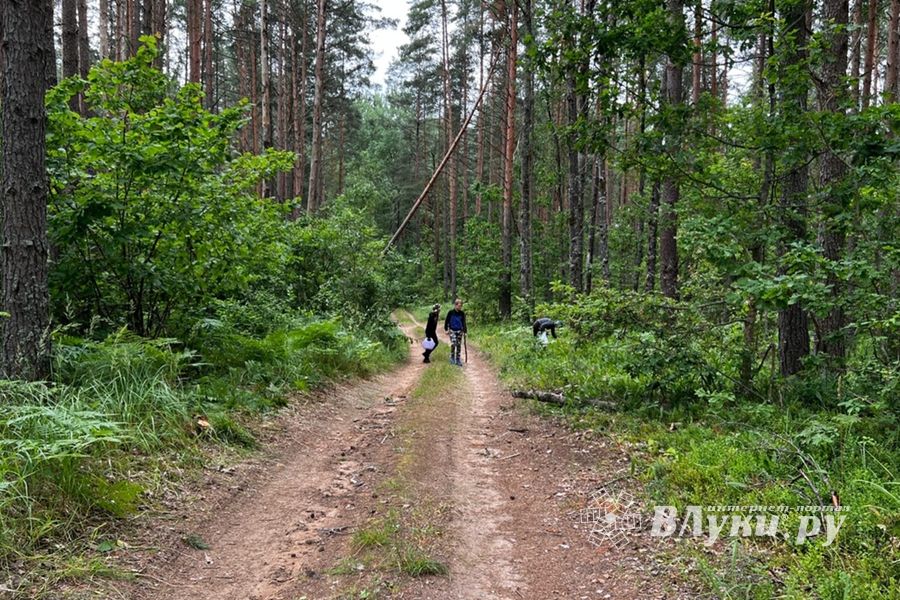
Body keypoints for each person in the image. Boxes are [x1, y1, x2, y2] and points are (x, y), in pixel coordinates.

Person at [444, 298, 467, 366]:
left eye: (461, 306)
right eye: (459, 305)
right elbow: (446, 321)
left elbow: (464, 322)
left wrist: (465, 331)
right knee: (453, 344)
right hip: (452, 330)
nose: (460, 307)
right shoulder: (451, 312)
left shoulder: (462, 313)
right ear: (455, 305)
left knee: (459, 345)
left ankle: (458, 359)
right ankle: (452, 357)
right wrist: (446, 329)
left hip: (460, 331)